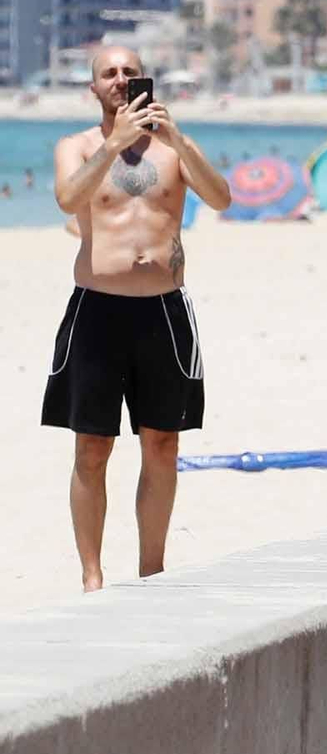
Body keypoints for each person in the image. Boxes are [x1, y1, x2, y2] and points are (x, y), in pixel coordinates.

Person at [43, 46, 232, 592]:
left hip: (163, 310)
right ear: (94, 88)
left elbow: (220, 197)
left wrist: (180, 141)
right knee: (92, 445)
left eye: (130, 71)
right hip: (96, 309)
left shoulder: (174, 148)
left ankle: (152, 570)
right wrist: (113, 146)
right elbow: (65, 198)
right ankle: (92, 577)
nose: (121, 80)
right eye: (110, 73)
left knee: (162, 441)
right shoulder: (75, 147)